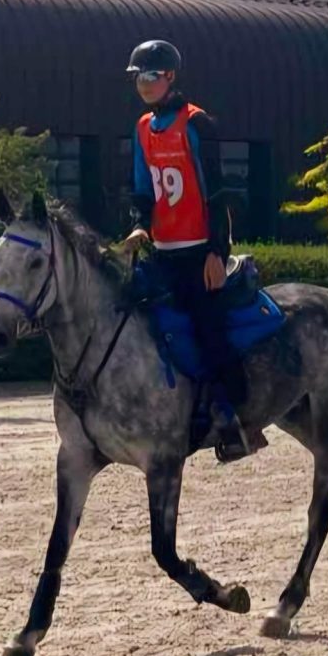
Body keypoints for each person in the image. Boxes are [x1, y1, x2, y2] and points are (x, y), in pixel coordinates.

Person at [121, 40, 266, 460]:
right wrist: (139, 226)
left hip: (199, 251)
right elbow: (143, 189)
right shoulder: (142, 127)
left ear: (170, 77)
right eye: (138, 77)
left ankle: (235, 422)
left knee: (208, 331)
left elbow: (217, 193)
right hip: (161, 252)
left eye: (151, 76)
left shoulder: (197, 123)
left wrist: (217, 252)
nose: (143, 84)